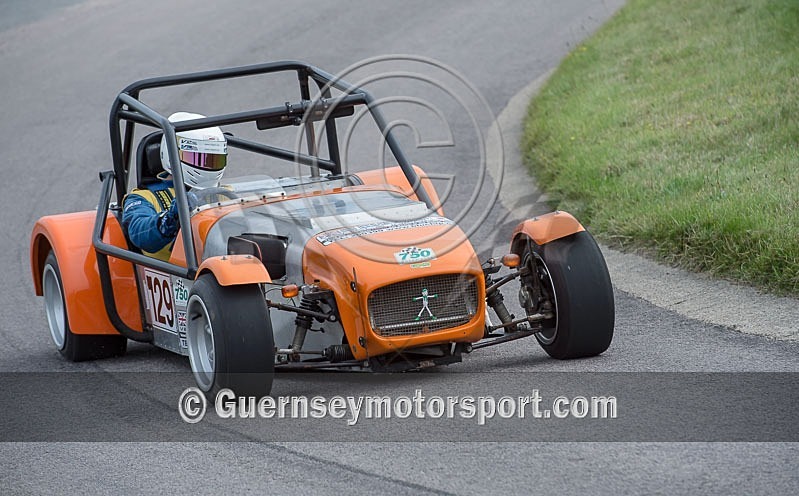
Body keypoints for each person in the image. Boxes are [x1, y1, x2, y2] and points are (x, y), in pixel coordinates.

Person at [122, 112, 227, 261]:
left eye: (214, 160)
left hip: (224, 264)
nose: (208, 165)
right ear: (172, 155)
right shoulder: (143, 198)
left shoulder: (225, 193)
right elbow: (140, 234)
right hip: (175, 270)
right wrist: (170, 219)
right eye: (199, 159)